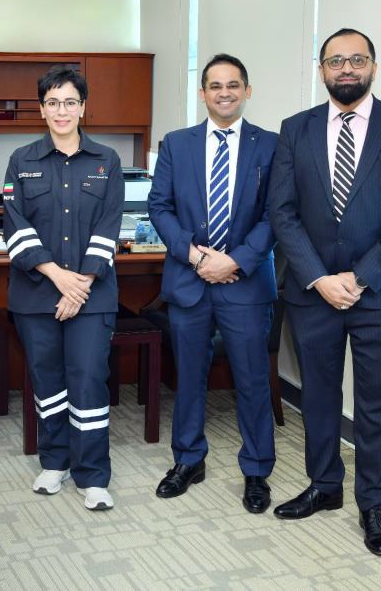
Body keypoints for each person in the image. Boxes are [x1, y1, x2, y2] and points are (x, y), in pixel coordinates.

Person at [268, 28, 381, 555]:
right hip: (312, 291)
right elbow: (282, 212)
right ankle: (324, 485)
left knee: (379, 405)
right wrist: (319, 277)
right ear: (321, 70)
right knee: (317, 396)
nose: (346, 69)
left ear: (373, 68)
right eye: (335, 60)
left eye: (356, 59)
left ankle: (374, 505)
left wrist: (359, 277)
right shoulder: (295, 129)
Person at [148, 54, 278, 513]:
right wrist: (196, 255)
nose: (225, 93)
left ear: (247, 91)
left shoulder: (271, 145)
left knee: (252, 380)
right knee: (189, 378)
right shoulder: (176, 144)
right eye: (216, 86)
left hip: (245, 283)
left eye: (233, 85)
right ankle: (188, 460)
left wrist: (235, 261)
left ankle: (257, 470)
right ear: (202, 93)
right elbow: (159, 206)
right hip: (190, 279)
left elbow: (276, 214)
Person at [3, 65, 123, 511]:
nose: (61, 110)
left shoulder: (106, 160)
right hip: (37, 294)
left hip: (92, 296)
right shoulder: (22, 161)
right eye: (52, 102)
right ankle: (55, 462)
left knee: (88, 379)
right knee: (47, 381)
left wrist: (81, 284)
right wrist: (57, 277)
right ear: (41, 109)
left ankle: (93, 474)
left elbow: (110, 224)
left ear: (83, 107)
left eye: (70, 102)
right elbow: (14, 225)